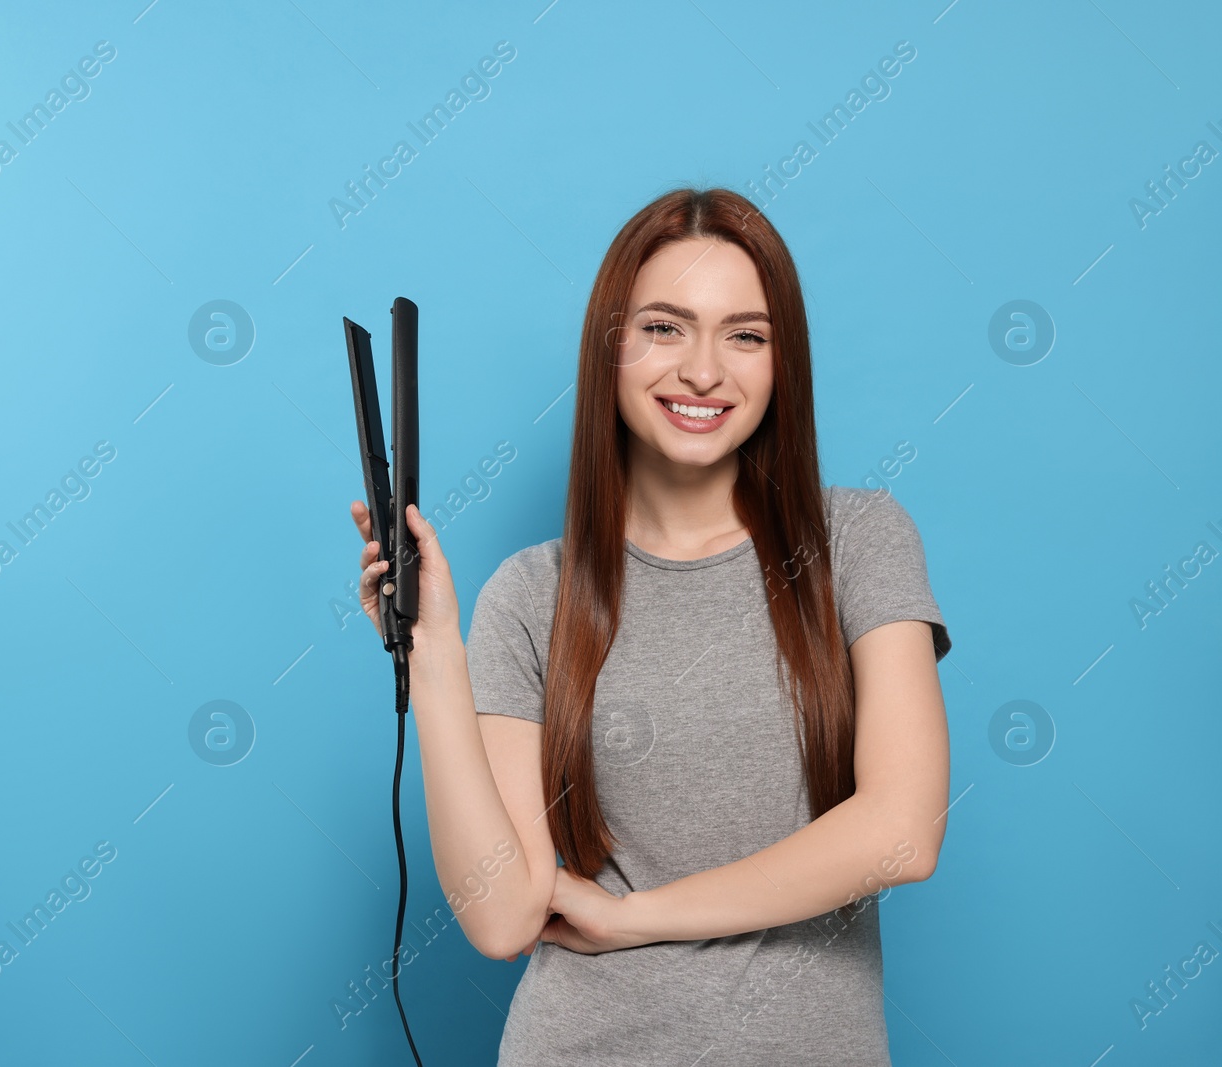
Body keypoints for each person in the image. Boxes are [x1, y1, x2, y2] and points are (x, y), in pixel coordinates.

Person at [348, 186, 951, 1065]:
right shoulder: (529, 593)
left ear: (784, 364)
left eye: (745, 335)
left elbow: (903, 829)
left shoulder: (857, 541)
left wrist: (636, 916)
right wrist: (434, 655)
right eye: (666, 328)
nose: (704, 370)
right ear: (613, 349)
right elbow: (503, 911)